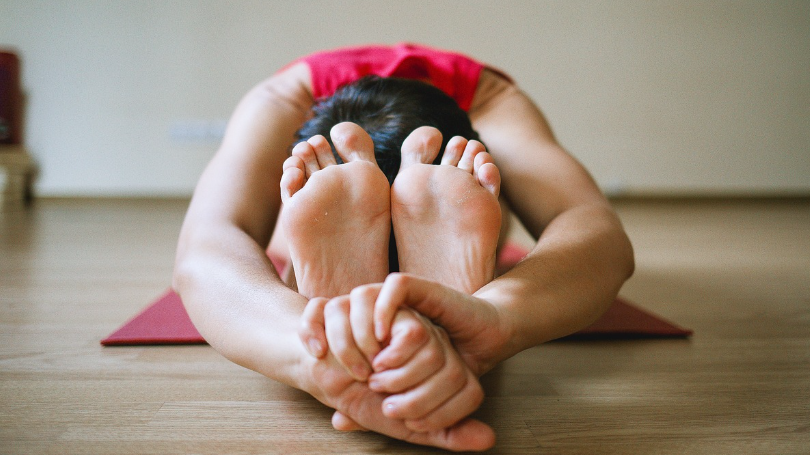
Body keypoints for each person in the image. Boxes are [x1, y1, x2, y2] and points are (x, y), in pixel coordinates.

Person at [173, 43, 634, 452]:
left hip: (435, 134)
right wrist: (500, 316)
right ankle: (450, 275)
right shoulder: (279, 103)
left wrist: (310, 346)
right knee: (486, 199)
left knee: (272, 230)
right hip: (385, 144)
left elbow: (205, 251)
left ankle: (324, 298)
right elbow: (598, 233)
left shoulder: (490, 103)